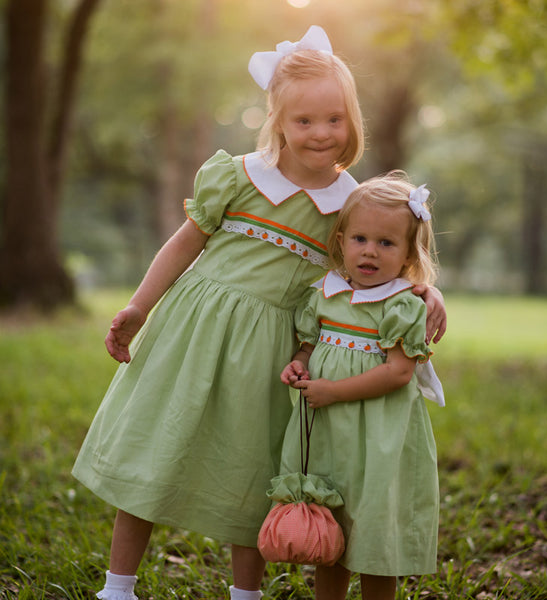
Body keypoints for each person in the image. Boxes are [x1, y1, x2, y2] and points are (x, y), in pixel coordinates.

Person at [72, 26, 446, 600]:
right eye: (304, 121)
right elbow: (184, 243)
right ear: (277, 121)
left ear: (353, 122)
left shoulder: (348, 202)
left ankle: (244, 593)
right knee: (153, 446)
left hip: (275, 349)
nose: (321, 134)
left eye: (335, 120)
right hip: (195, 330)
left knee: (250, 470)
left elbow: (384, 254)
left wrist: (428, 292)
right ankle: (117, 586)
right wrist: (138, 307)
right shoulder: (238, 177)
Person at [279, 171, 444, 600]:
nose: (370, 251)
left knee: (373, 530)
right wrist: (299, 366)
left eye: (387, 243)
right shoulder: (323, 295)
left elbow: (398, 373)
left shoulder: (403, 306)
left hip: (379, 435)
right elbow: (308, 345)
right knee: (330, 529)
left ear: (409, 253)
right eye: (360, 239)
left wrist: (333, 391)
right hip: (330, 436)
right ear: (341, 240)